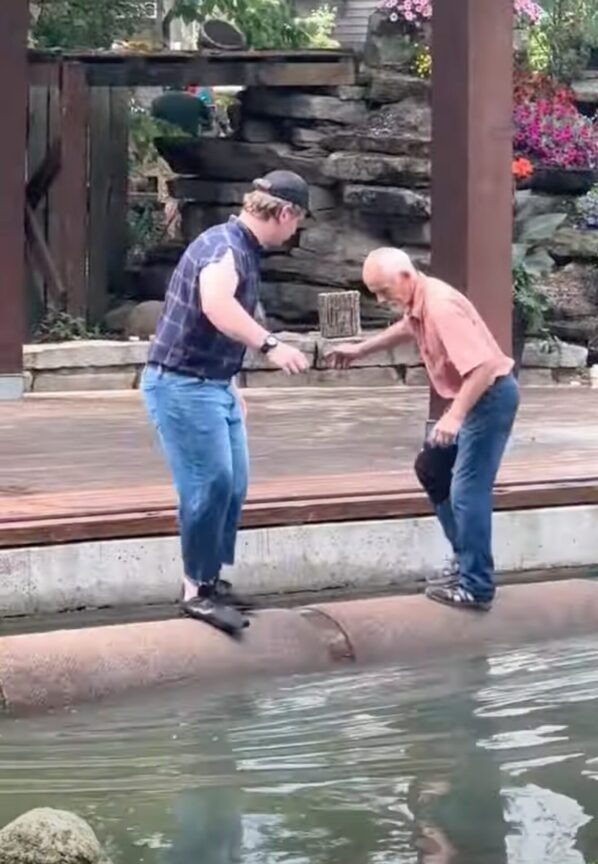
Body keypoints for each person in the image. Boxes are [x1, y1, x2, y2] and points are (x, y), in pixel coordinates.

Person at [141, 171, 310, 634]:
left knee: (233, 485)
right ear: (284, 212)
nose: (297, 231)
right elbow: (216, 304)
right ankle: (196, 589)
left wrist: (232, 384)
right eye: (298, 220)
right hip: (181, 385)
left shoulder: (241, 247)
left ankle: (211, 580)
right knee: (209, 483)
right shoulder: (226, 248)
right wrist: (271, 345)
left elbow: (209, 324)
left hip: (213, 384)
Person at [328, 248, 519, 612]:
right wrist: (361, 349)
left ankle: (476, 586)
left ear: (405, 275)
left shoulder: (441, 305)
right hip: (476, 397)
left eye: (383, 290)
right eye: (376, 293)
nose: (382, 300)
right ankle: (464, 560)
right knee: (431, 468)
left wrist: (454, 416)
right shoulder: (421, 300)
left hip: (489, 397)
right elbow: (407, 326)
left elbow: (482, 368)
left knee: (467, 490)